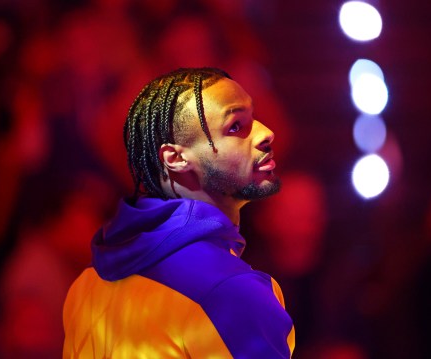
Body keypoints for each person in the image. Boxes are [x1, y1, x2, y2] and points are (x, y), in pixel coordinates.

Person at [62, 68, 295, 358]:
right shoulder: (232, 291)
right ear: (176, 158)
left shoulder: (87, 284)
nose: (266, 133)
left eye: (254, 117)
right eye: (235, 126)